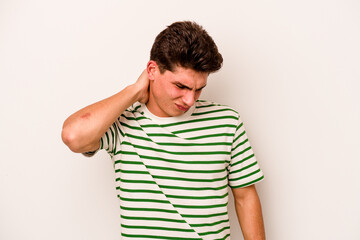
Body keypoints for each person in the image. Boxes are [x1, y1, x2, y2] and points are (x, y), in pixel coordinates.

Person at [62, 21, 265, 240]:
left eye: (199, 89)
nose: (190, 100)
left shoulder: (227, 122)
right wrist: (134, 90)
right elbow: (73, 136)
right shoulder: (123, 123)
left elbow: (245, 197)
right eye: (181, 86)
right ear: (152, 70)